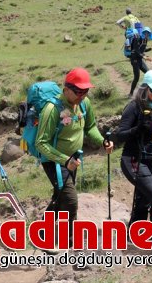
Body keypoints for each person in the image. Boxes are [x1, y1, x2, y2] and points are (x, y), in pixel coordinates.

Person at [35, 68, 114, 245]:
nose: (83, 95)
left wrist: (102, 142)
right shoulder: (52, 109)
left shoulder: (84, 104)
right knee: (70, 200)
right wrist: (64, 160)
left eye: (86, 91)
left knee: (60, 196)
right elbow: (41, 143)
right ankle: (70, 240)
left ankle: (40, 230)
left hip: (74, 160)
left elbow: (91, 127)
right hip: (54, 160)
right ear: (67, 89)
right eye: (79, 91)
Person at [114, 70, 152, 226]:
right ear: (144, 88)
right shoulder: (133, 107)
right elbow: (119, 135)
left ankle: (135, 236)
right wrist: (137, 129)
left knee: (143, 200)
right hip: (134, 160)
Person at [128, 27, 152, 95]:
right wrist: (144, 57)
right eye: (146, 33)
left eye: (148, 34)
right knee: (137, 77)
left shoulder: (145, 40)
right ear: (143, 33)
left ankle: (148, 91)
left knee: (148, 73)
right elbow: (136, 50)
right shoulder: (137, 38)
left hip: (140, 60)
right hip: (135, 60)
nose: (147, 35)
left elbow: (143, 50)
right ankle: (131, 93)